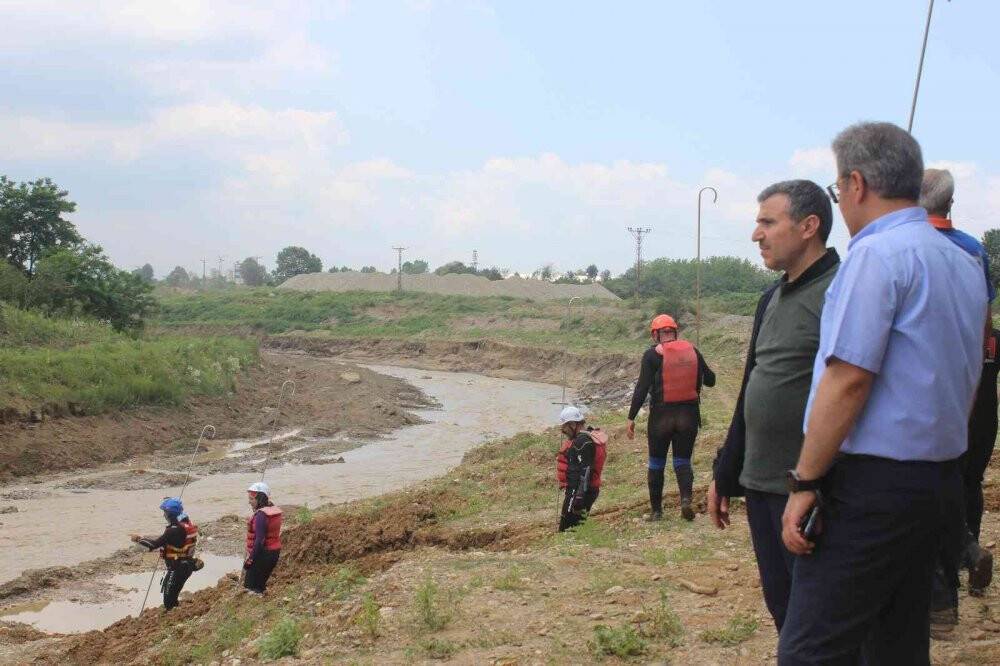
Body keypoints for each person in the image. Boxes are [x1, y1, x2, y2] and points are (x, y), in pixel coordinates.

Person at [777, 122, 987, 665]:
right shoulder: (964, 263)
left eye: (836, 189)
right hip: (937, 479)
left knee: (810, 650)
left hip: (871, 487)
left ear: (856, 184)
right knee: (898, 640)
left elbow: (848, 379)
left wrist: (806, 481)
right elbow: (966, 375)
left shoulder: (876, 257)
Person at [709, 179, 839, 631]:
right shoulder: (771, 299)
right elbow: (750, 388)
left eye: (767, 222)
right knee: (784, 610)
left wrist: (815, 483)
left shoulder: (841, 294)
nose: (756, 234)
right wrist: (725, 472)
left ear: (808, 226)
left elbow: (853, 391)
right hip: (763, 485)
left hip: (813, 493)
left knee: (821, 621)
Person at [920, 168, 996, 635]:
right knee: (967, 479)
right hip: (978, 378)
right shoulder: (975, 251)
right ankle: (970, 551)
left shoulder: (899, 247)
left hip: (928, 381)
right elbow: (985, 324)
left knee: (925, 482)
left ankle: (942, 599)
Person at [627, 314, 715, 521]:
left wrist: (631, 418)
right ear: (675, 332)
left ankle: (657, 512)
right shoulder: (692, 351)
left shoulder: (651, 356)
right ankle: (685, 500)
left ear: (655, 335)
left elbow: (641, 388)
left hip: (660, 418)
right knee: (682, 461)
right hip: (688, 417)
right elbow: (711, 380)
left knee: (656, 464)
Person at [130, 497, 199, 610]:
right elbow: (182, 516)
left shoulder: (173, 531)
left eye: (165, 513)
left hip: (178, 568)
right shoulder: (186, 523)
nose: (164, 515)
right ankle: (176, 611)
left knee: (168, 601)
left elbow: (153, 545)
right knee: (172, 593)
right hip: (186, 565)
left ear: (170, 515)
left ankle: (175, 617)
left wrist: (138, 539)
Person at [556, 405, 608, 532]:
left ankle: (570, 549)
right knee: (576, 527)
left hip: (579, 493)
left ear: (573, 425)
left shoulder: (582, 442)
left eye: (565, 427)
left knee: (567, 529)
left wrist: (578, 497)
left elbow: (586, 470)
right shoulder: (585, 438)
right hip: (581, 491)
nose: (563, 431)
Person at [244, 481, 282, 595]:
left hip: (262, 555)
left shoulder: (261, 515)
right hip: (274, 553)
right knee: (260, 586)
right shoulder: (273, 510)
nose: (249, 502)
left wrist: (250, 560)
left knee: (250, 587)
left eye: (251, 499)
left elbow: (259, 541)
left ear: (259, 499)